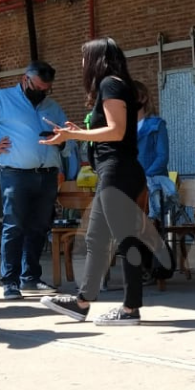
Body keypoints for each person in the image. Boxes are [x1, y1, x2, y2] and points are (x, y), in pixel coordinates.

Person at [38, 37, 171, 326]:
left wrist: (73, 135)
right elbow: (112, 131)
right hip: (115, 172)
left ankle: (130, 309)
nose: (82, 63)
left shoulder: (110, 84)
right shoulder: (116, 85)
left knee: (125, 239)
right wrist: (78, 131)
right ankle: (81, 303)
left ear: (97, 60)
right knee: (96, 238)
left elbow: (116, 131)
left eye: (84, 57)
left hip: (118, 172)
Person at [0, 61, 68, 300]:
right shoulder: (1, 99)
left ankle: (31, 278)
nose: (42, 93)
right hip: (16, 174)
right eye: (38, 87)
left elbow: (66, 136)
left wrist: (62, 141)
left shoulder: (52, 107)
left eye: (46, 89)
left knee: (39, 227)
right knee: (15, 226)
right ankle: (10, 281)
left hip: (48, 174)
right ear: (25, 79)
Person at [133, 81, 178, 225]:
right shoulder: (122, 128)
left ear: (143, 98)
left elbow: (162, 157)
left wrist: (144, 177)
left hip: (150, 184)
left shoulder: (157, 124)